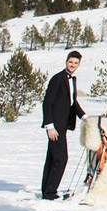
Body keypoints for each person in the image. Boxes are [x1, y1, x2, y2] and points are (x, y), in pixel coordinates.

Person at [41, 50, 86, 200]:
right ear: (66, 61)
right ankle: (51, 192)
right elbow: (47, 103)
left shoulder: (72, 79)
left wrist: (84, 116)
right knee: (61, 158)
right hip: (55, 127)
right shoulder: (57, 79)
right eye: (70, 62)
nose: (72, 65)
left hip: (62, 125)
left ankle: (46, 191)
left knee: (52, 158)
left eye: (75, 63)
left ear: (79, 64)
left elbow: (73, 103)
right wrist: (49, 126)